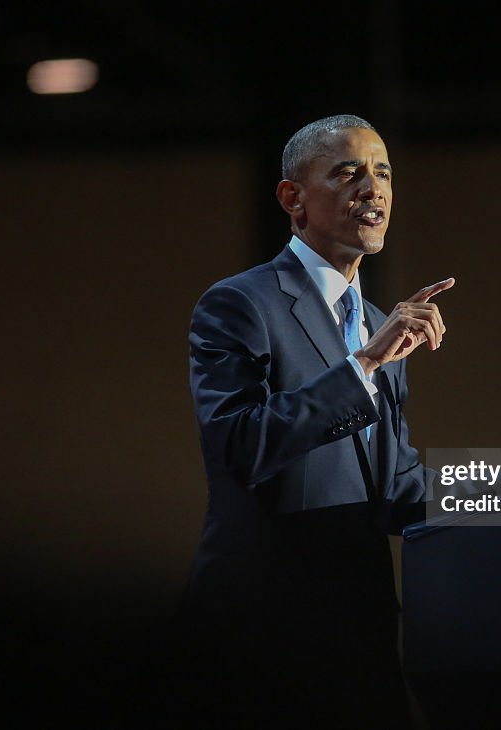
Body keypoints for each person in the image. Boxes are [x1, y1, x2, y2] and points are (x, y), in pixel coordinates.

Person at [179, 114, 454, 728]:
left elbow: (397, 492)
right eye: (348, 172)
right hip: (262, 634)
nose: (373, 188)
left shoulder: (378, 321)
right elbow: (240, 445)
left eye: (383, 173)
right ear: (292, 197)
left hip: (361, 639)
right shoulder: (241, 303)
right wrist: (365, 363)